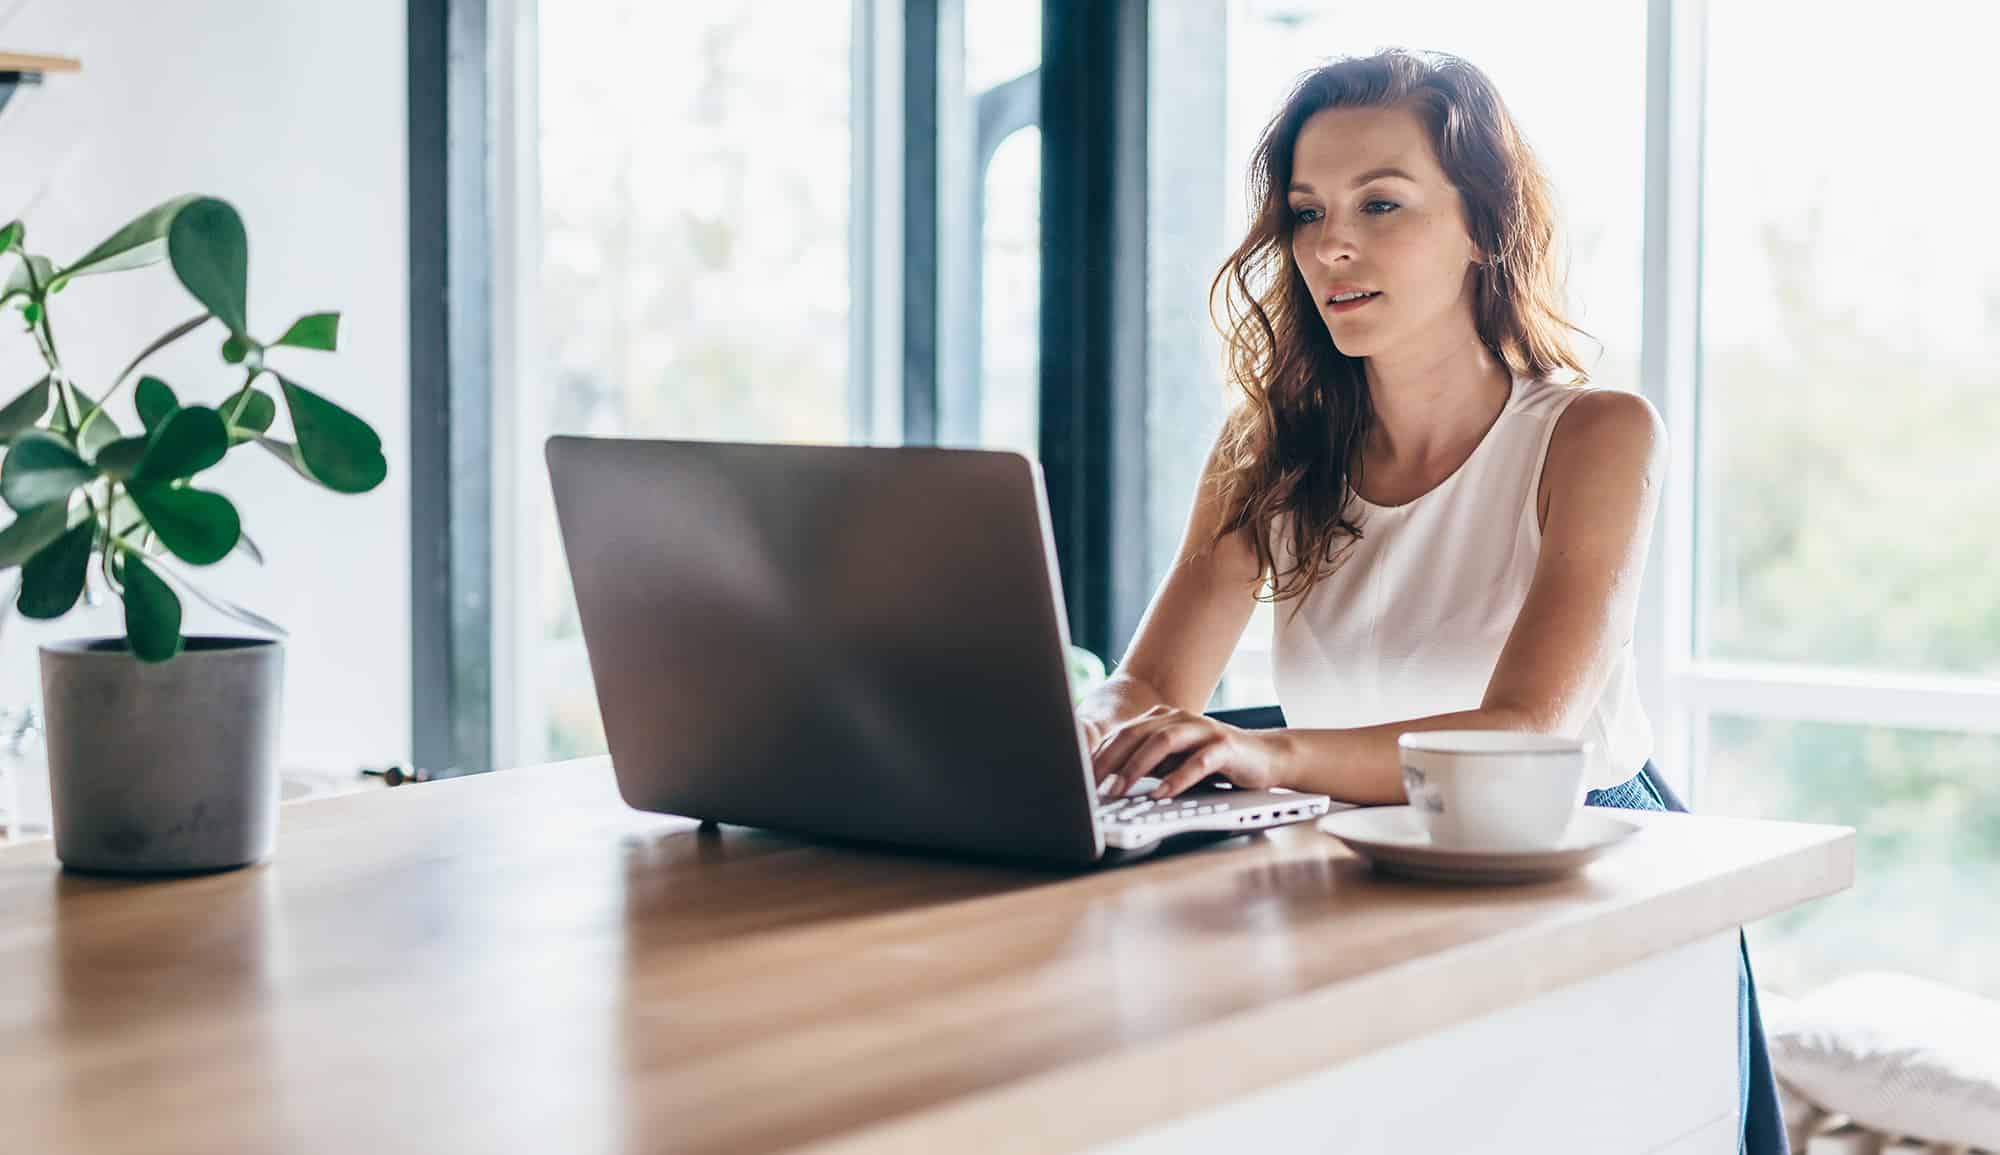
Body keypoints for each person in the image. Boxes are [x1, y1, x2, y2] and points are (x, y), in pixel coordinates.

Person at [1071, 49, 1787, 1155]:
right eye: (1305, 212)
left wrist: (1272, 755)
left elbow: (1525, 735)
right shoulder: (1263, 448)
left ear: (1482, 225)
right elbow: (1148, 685)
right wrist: (1070, 726)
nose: (1330, 245)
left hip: (1585, 874)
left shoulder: (1594, 432)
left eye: (1381, 203)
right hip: (1359, 874)